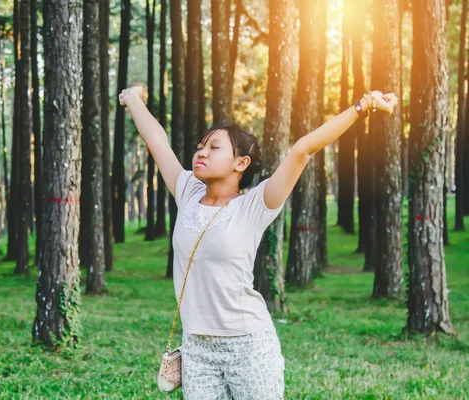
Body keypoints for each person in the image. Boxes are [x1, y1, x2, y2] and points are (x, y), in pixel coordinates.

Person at [119, 87, 398, 399]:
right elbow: (157, 142)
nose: (202, 152)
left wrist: (364, 105)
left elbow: (302, 149)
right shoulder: (187, 192)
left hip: (247, 344)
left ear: (241, 163)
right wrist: (131, 98)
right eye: (200, 147)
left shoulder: (255, 204)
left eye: (214, 147)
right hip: (196, 347)